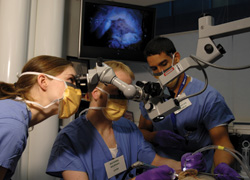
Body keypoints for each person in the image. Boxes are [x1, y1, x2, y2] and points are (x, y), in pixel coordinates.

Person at [46, 60, 181, 180]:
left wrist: (184, 165)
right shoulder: (69, 139)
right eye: (117, 91)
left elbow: (155, 160)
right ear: (96, 93)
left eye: (127, 92)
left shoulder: (129, 128)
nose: (124, 98)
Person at [138, 36, 241, 178]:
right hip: (163, 170)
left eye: (164, 64)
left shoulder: (207, 97)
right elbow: (141, 131)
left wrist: (221, 167)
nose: (161, 73)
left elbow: (222, 143)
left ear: (176, 58)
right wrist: (154, 136)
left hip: (197, 171)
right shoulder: (150, 95)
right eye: (154, 68)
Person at [0, 55, 82, 180]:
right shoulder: (14, 125)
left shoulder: (13, 112)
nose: (76, 88)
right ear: (43, 81)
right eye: (71, 79)